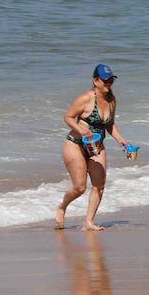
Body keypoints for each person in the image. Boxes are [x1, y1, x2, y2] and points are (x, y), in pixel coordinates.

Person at [56, 64, 133, 231]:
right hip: (75, 144)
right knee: (80, 188)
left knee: (99, 185)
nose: (108, 83)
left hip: (97, 146)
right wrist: (81, 129)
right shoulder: (85, 98)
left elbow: (110, 125)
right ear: (95, 81)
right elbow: (68, 117)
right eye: (105, 80)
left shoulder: (112, 100)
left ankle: (88, 222)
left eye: (111, 80)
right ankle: (62, 206)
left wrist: (123, 142)